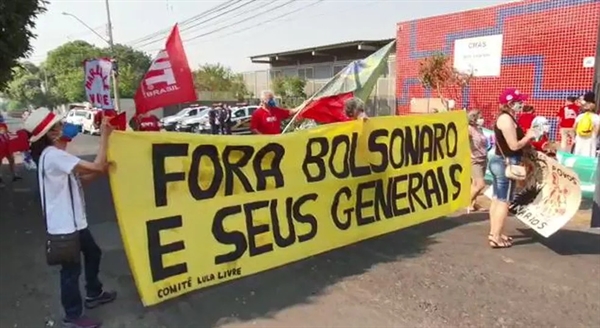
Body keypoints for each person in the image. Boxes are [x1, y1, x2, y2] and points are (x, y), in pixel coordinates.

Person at [25, 107, 117, 328]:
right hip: (65, 227)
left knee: (93, 253)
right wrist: (104, 136)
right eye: (58, 125)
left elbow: (79, 182)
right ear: (51, 132)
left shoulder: (50, 156)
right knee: (70, 272)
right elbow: (95, 165)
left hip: (75, 223)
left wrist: (101, 172)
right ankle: (72, 316)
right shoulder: (55, 156)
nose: (62, 126)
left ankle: (93, 293)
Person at [488, 88, 536, 249]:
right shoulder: (506, 120)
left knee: (496, 198)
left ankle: (495, 232)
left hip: (499, 161)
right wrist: (528, 136)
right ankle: (495, 237)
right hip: (506, 163)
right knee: (504, 201)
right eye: (519, 102)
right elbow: (513, 145)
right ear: (510, 103)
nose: (522, 104)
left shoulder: (506, 118)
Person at [467, 110, 487, 213]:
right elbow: (464, 141)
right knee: (481, 184)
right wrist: (470, 153)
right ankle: (468, 202)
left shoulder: (479, 129)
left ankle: (473, 204)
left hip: (483, 158)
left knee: (475, 184)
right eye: (480, 117)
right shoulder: (469, 129)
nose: (482, 119)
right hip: (475, 160)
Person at [573, 91, 599, 157]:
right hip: (590, 139)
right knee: (589, 153)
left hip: (580, 137)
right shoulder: (596, 117)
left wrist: (575, 136)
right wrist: (595, 137)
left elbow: (574, 127)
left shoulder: (580, 116)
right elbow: (597, 129)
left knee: (578, 152)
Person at [0, 119, 23, 187]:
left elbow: (5, 131)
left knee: (11, 160)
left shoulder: (2, 124)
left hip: (6, 145)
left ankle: (14, 175)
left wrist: (11, 134)